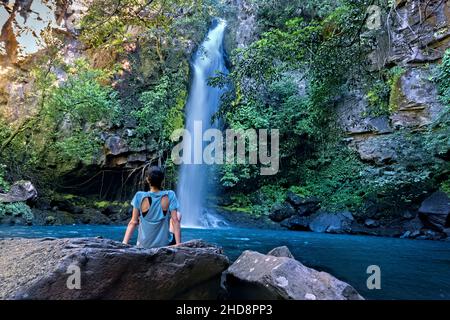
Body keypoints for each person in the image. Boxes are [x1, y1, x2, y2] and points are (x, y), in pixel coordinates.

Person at [122, 166, 182, 248]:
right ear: (162, 180)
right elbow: (175, 221)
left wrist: (124, 243)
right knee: (177, 215)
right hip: (164, 245)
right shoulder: (170, 194)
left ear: (147, 179)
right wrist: (178, 245)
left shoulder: (139, 196)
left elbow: (133, 222)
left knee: (140, 219)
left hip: (143, 245)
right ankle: (176, 242)